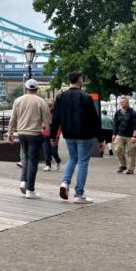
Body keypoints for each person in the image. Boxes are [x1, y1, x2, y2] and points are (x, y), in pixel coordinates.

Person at [50, 71, 104, 204]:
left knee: (72, 158)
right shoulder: (86, 97)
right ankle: (79, 194)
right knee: (83, 162)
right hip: (84, 135)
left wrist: (53, 136)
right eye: (82, 78)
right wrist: (101, 139)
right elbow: (94, 120)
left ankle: (65, 183)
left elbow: (55, 118)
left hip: (68, 134)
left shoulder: (61, 97)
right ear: (79, 80)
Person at [8, 79, 50, 198]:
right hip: (35, 134)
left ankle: (23, 181)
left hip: (22, 134)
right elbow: (47, 119)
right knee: (33, 161)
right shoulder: (41, 101)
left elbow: (13, 118)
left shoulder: (18, 100)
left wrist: (10, 133)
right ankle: (30, 190)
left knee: (26, 158)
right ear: (36, 89)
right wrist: (51, 135)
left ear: (26, 88)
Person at [112, 97, 136, 174]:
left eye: (123, 102)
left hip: (130, 136)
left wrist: (134, 136)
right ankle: (123, 165)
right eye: (121, 102)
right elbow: (115, 124)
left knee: (131, 152)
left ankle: (130, 169)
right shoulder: (118, 113)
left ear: (127, 103)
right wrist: (114, 134)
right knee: (117, 150)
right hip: (120, 134)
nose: (122, 103)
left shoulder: (133, 113)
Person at [42, 100, 61, 171]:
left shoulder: (56, 114)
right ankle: (48, 165)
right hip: (44, 134)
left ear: (53, 106)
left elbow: (59, 126)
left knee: (53, 151)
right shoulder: (43, 114)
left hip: (54, 135)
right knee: (46, 150)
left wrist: (57, 135)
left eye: (50, 106)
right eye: (47, 106)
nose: (48, 107)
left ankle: (58, 161)